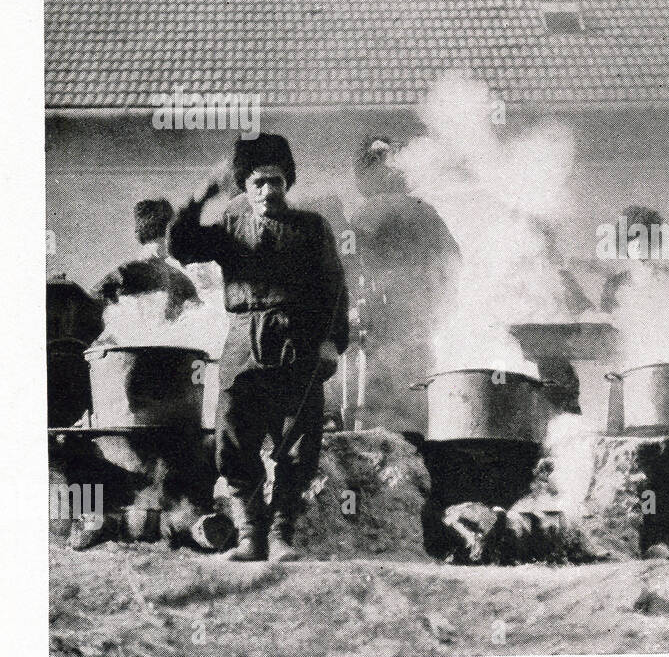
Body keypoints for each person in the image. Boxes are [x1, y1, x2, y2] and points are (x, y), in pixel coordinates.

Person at [170, 134, 349, 561]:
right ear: (244, 188)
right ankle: (251, 535)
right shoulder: (230, 224)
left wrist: (330, 342)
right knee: (232, 437)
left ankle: (283, 534)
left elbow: (334, 289)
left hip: (296, 342)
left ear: (286, 184)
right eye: (258, 183)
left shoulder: (311, 228)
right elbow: (182, 247)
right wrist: (198, 199)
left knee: (298, 442)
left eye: (276, 182)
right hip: (243, 339)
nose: (268, 191)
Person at [348, 136, 460, 432]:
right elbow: (454, 262)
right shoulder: (426, 212)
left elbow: (347, 268)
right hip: (419, 330)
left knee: (375, 415)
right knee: (416, 407)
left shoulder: (366, 214)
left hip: (378, 331)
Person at [96, 199, 199, 321]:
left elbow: (87, 309)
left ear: (139, 232)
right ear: (170, 231)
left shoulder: (122, 274)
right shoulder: (182, 282)